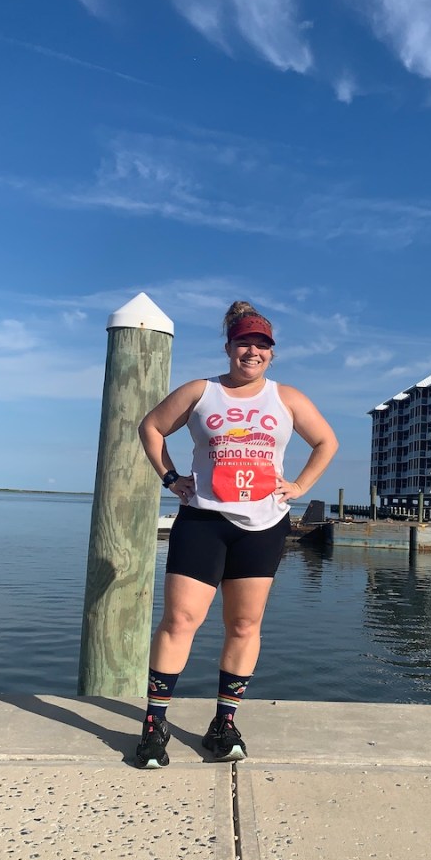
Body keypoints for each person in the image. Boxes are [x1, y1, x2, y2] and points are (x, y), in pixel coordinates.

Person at [134, 300, 339, 768]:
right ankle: (153, 726)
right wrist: (169, 478)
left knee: (244, 625)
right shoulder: (201, 392)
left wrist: (301, 486)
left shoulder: (287, 399)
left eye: (262, 344)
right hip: (204, 520)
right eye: (245, 342)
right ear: (229, 346)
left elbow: (327, 442)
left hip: (263, 526)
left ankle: (223, 724)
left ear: (272, 353)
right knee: (180, 622)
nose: (253, 351)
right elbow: (151, 427)